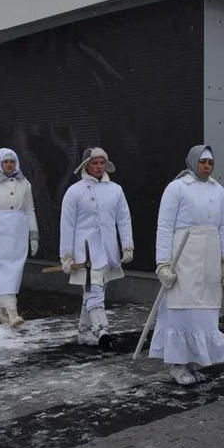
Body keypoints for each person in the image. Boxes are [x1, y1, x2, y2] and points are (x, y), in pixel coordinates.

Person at [149, 145, 224, 385]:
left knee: (204, 312)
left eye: (211, 163)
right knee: (183, 310)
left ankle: (194, 360)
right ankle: (177, 364)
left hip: (209, 257)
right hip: (184, 257)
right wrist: (163, 264)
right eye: (203, 162)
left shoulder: (218, 191)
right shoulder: (176, 188)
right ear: (193, 162)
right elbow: (164, 227)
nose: (207, 166)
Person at [59, 148, 133, 346]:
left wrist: (127, 246)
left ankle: (84, 332)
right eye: (95, 163)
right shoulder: (74, 192)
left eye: (102, 163)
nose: (99, 167)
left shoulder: (115, 190)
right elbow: (67, 225)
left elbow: (123, 219)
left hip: (108, 251)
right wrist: (66, 256)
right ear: (86, 166)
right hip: (86, 254)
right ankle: (102, 330)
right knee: (94, 291)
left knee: (94, 291)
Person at [0, 148, 39, 328]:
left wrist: (33, 234)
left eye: (12, 161)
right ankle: (12, 312)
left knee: (13, 272)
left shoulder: (24, 183)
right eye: (5, 162)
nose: (9, 165)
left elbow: (29, 210)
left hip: (17, 231)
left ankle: (1, 312)